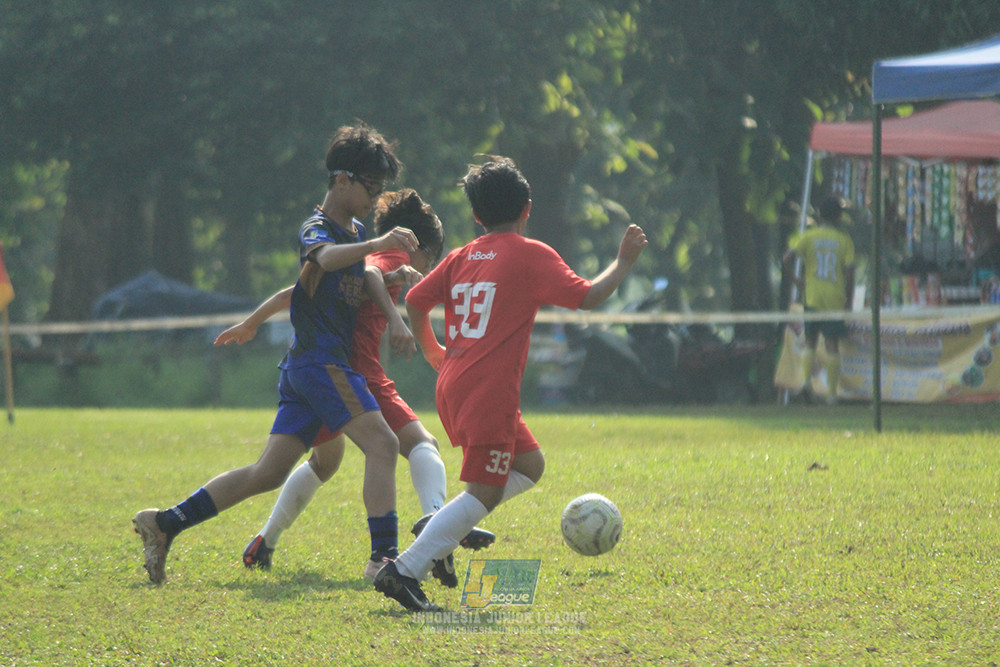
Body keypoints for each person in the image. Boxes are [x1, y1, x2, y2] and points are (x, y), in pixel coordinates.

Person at [132, 122, 417, 584]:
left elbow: (311, 290)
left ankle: (165, 522)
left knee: (268, 472)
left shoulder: (357, 229)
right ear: (342, 180)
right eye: (372, 186)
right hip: (321, 363)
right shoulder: (318, 228)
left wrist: (389, 279)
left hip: (307, 367)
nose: (377, 197)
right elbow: (321, 261)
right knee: (383, 444)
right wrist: (380, 245)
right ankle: (383, 558)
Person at [373, 155, 648, 612]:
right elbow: (589, 295)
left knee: (531, 464)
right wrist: (623, 261)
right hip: (488, 390)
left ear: (477, 216)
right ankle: (405, 569)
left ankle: (444, 525)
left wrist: (432, 351)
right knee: (484, 492)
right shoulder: (530, 253)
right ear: (527, 208)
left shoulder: (463, 254)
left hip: (455, 381)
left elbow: (417, 300)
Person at [215, 189, 494, 587]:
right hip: (355, 372)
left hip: (329, 369)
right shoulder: (391, 255)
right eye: (429, 261)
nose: (426, 270)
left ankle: (266, 540)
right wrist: (395, 320)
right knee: (421, 443)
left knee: (323, 463)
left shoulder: (362, 255)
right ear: (420, 247)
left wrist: (252, 321)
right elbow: (372, 274)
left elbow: (297, 292)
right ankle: (437, 533)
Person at [783, 195, 856, 405]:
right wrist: (849, 298)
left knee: (810, 341)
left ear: (818, 215)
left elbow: (786, 259)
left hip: (812, 295)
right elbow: (849, 272)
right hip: (834, 297)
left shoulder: (809, 236)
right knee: (832, 344)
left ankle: (806, 382)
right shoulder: (844, 241)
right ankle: (832, 394)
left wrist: (797, 281)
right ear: (839, 217)